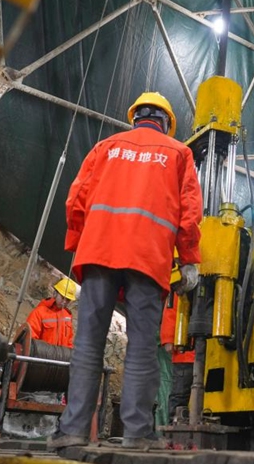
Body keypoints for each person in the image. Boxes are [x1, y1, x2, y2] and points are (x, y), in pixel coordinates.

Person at [47, 92, 202, 451]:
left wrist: (79, 243)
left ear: (136, 117)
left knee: (87, 344)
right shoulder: (179, 154)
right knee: (142, 347)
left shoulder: (105, 147)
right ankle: (137, 434)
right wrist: (190, 259)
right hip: (148, 258)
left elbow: (76, 200)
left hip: (99, 252)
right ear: (165, 122)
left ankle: (72, 431)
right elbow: (190, 212)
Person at [160, 292, 195, 423]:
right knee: (180, 395)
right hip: (185, 353)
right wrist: (169, 337)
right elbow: (171, 307)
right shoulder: (183, 278)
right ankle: (174, 428)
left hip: (210, 354)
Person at [26, 277, 78, 348]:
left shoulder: (68, 316)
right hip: (42, 357)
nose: (64, 302)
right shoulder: (39, 313)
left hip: (60, 358)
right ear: (55, 294)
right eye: (63, 297)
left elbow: (69, 341)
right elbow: (30, 339)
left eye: (68, 300)